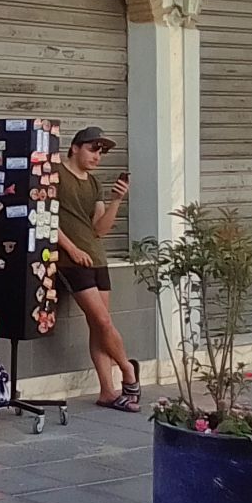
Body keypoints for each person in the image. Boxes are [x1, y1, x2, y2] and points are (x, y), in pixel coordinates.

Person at [56, 126, 140, 412]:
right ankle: (128, 369)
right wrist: (71, 249)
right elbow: (43, 217)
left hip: (96, 257)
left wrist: (117, 199)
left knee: (98, 326)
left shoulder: (93, 184)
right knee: (103, 322)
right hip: (71, 260)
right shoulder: (55, 174)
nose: (97, 156)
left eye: (101, 151)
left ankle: (107, 390)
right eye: (93, 149)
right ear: (75, 147)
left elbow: (100, 230)